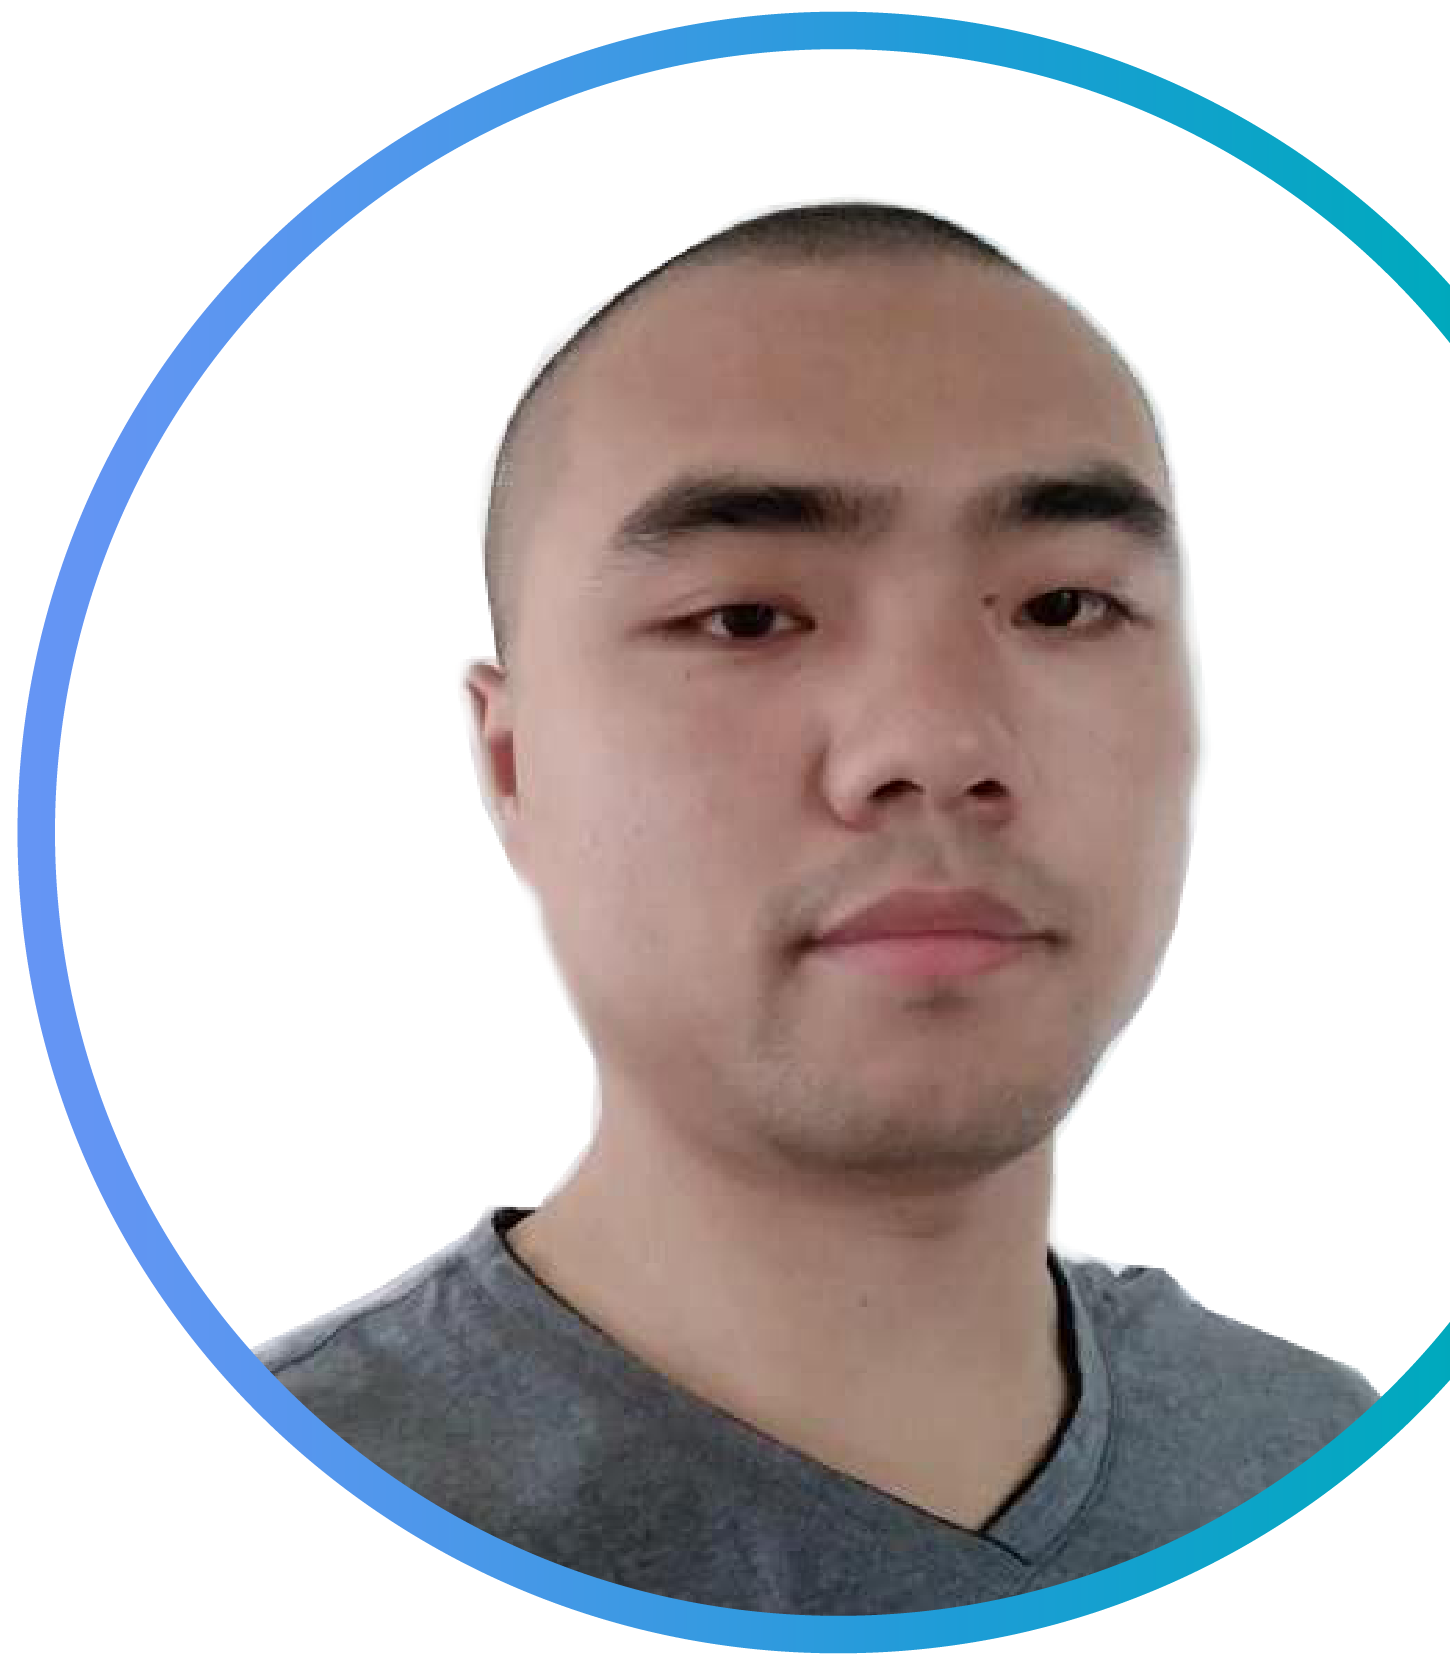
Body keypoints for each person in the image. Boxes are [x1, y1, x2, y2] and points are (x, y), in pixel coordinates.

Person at [260, 201, 1376, 1615]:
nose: (936, 743)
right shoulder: (248, 1527)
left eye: (1064, 606)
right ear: (513, 764)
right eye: (746, 618)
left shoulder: (1325, 1465)